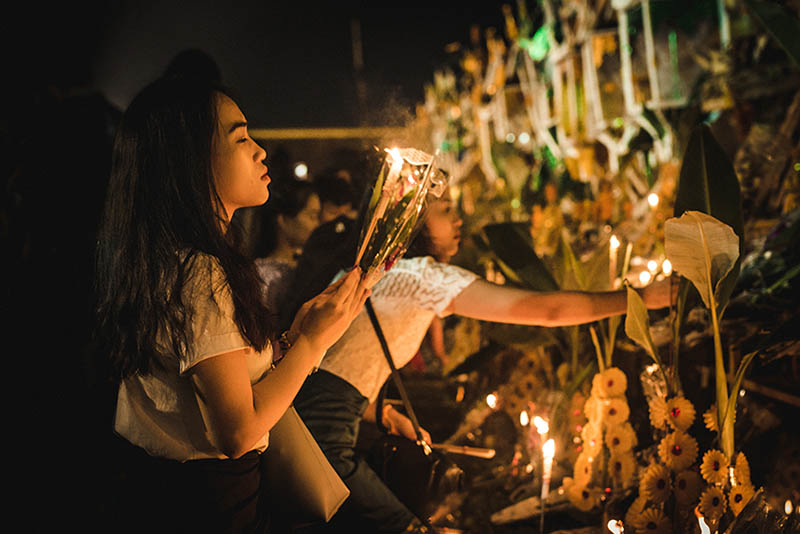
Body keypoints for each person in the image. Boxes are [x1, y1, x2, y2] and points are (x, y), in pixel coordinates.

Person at [290, 188, 674, 533]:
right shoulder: (422, 277)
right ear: (413, 222)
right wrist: (640, 298)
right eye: (445, 210)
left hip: (299, 431)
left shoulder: (376, 272)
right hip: (322, 445)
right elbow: (547, 310)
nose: (458, 220)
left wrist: (385, 414)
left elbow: (335, 366)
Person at [94, 76, 370, 533]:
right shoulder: (198, 274)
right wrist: (313, 344)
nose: (260, 150)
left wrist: (289, 342)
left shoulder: (161, 259)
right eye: (240, 138)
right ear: (191, 161)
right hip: (211, 506)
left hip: (163, 494)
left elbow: (212, 373)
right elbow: (238, 433)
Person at [254, 179, 321, 318]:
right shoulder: (263, 276)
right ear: (283, 220)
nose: (317, 224)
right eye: (312, 216)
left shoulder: (311, 264)